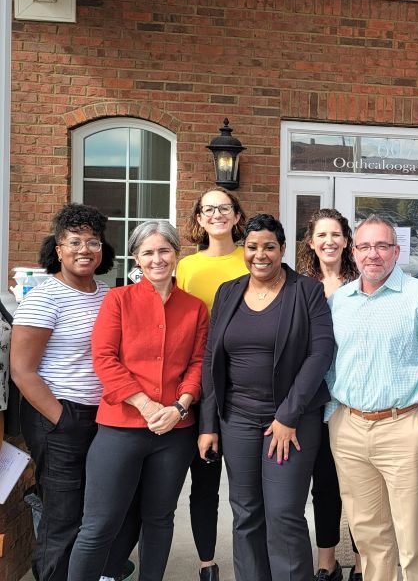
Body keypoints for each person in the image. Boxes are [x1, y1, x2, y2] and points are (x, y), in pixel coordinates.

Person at [67, 220, 209, 581]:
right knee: (99, 524)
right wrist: (147, 406)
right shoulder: (118, 300)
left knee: (159, 520)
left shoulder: (194, 309)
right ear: (136, 258)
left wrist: (179, 407)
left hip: (174, 434)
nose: (157, 259)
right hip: (120, 428)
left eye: (164, 250)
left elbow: (198, 363)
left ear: (177, 254)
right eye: (148, 252)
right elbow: (104, 358)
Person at [198, 214, 334, 581]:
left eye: (269, 247)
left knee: (284, 512)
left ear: (283, 249)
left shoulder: (306, 291)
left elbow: (320, 353)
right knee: (244, 512)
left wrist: (288, 416)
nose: (261, 255)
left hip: (291, 420)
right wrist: (208, 424)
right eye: (253, 246)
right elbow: (212, 359)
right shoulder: (228, 292)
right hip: (237, 417)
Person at [325, 214, 418, 581]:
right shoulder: (340, 301)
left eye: (381, 246)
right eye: (364, 246)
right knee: (368, 536)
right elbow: (329, 360)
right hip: (348, 428)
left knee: (413, 535)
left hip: (403, 427)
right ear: (354, 251)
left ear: (397, 251)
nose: (372, 254)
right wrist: (334, 413)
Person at [10, 203, 115, 581]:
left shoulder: (106, 294)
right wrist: (64, 420)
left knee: (92, 512)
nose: (85, 249)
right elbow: (23, 371)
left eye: (93, 241)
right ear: (58, 248)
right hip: (59, 417)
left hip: (100, 417)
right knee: (62, 517)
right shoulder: (44, 297)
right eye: (74, 242)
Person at [177, 186, 248, 581]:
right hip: (196, 378)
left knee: (244, 485)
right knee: (203, 480)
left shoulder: (250, 257)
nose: (217, 214)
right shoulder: (186, 267)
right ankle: (207, 563)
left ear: (237, 216)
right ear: (200, 219)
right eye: (209, 209)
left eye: (224, 208)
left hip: (239, 382)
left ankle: (251, 558)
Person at [298, 208, 361, 581]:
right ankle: (327, 563)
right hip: (316, 400)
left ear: (346, 240)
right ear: (311, 242)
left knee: (358, 486)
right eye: (322, 235)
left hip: (352, 398)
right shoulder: (300, 288)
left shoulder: (362, 285)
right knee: (324, 486)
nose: (329, 241)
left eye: (336, 234)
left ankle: (361, 560)